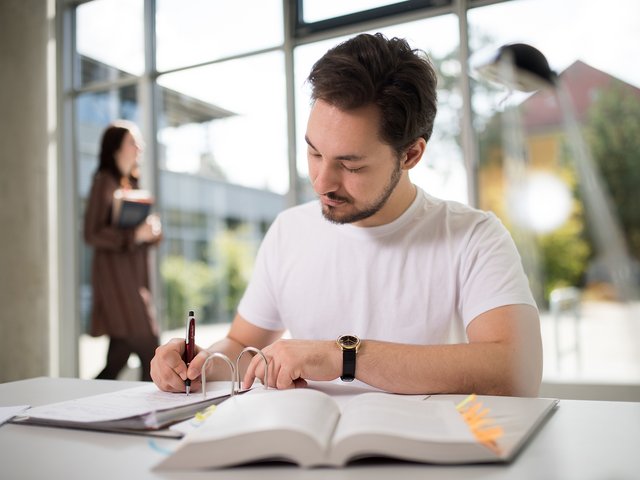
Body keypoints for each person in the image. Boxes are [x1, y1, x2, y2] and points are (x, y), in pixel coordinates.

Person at [151, 33, 543, 396]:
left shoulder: (473, 236)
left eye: (350, 166)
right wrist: (200, 362)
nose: (322, 182)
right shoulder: (290, 230)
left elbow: (516, 369)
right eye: (314, 152)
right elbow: (241, 344)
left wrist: (344, 356)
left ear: (411, 155)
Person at [84, 120, 163, 381]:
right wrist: (134, 234)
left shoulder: (130, 185)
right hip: (117, 284)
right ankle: (151, 414)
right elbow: (91, 233)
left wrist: (151, 232)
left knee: (116, 360)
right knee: (153, 353)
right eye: (133, 141)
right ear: (116, 148)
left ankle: (85, 409)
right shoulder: (103, 183)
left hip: (133, 279)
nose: (140, 147)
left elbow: (140, 235)